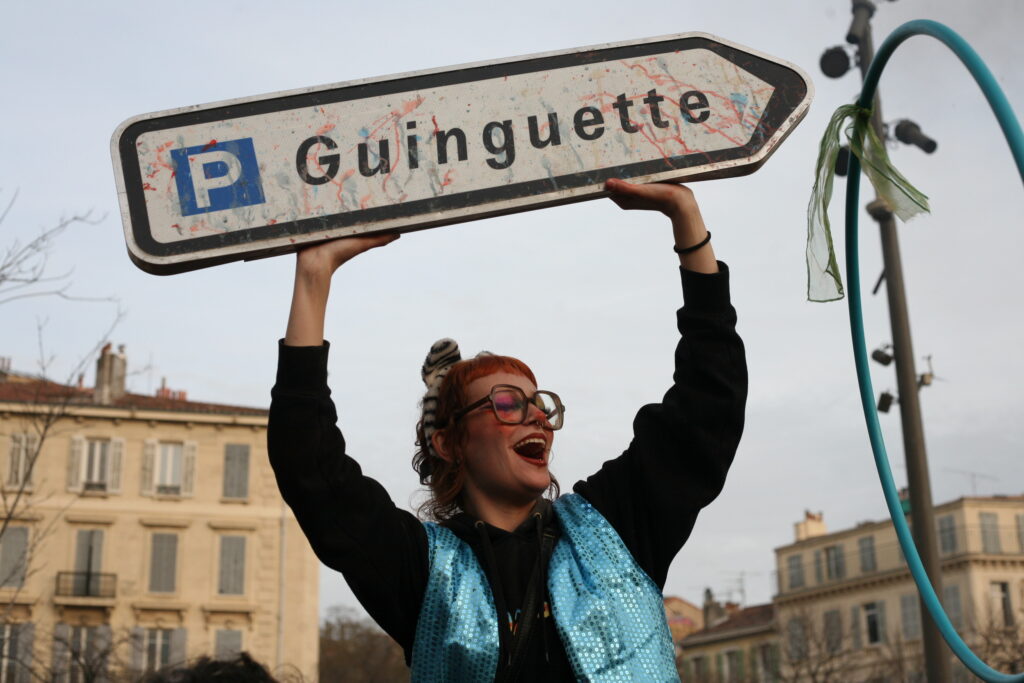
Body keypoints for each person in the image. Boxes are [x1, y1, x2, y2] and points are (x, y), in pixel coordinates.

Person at [268, 178, 747, 682]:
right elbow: (310, 464)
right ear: (449, 442)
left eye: (540, 404)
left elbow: (705, 408)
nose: (537, 416)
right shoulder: (422, 572)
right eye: (506, 404)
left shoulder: (617, 530)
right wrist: (313, 277)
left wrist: (686, 220)